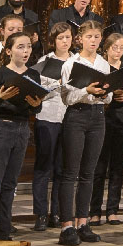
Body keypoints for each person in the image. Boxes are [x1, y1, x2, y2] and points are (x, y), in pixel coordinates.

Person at [55, 17, 112, 245]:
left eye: (97, 37)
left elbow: (108, 95)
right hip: (76, 116)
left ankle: (83, 222)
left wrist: (102, 94)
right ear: (80, 39)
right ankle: (67, 226)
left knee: (89, 173)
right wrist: (86, 91)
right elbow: (66, 97)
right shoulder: (70, 63)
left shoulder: (103, 64)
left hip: (97, 117)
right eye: (89, 37)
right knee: (71, 172)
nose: (93, 41)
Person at [0, 27, 42, 239]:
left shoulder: (33, 74)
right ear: (9, 51)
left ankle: (3, 228)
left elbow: (36, 107)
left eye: (28, 47)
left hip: (22, 128)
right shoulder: (0, 73)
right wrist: (1, 97)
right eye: (20, 47)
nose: (25, 51)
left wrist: (36, 104)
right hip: (0, 126)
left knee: (10, 182)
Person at [90, 29, 123, 223]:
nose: (118, 51)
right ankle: (94, 211)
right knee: (99, 167)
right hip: (104, 118)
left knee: (117, 168)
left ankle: (112, 210)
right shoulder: (100, 68)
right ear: (107, 49)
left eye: (121, 48)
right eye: (114, 48)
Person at [31, 22, 74, 229]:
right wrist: (56, 84)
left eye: (67, 37)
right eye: (60, 38)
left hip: (69, 118)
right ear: (53, 41)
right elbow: (37, 90)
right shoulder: (44, 61)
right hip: (47, 117)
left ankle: (56, 213)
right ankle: (40, 214)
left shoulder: (77, 61)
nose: (65, 41)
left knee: (61, 168)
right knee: (43, 166)